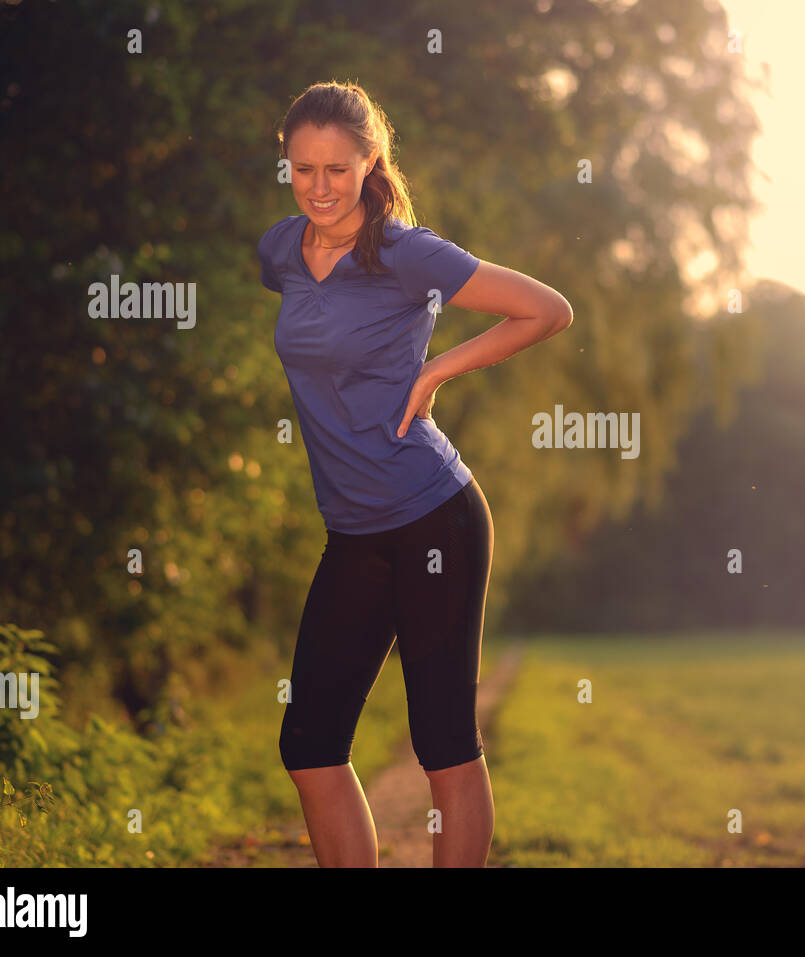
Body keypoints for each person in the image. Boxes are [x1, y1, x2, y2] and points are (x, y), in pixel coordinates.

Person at [257, 81, 572, 867]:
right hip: (353, 532)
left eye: (337, 168)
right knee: (311, 745)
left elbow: (546, 308)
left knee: (444, 745)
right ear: (286, 166)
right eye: (303, 169)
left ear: (370, 162)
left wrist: (436, 372)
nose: (320, 187)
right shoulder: (279, 252)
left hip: (435, 516)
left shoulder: (406, 253)